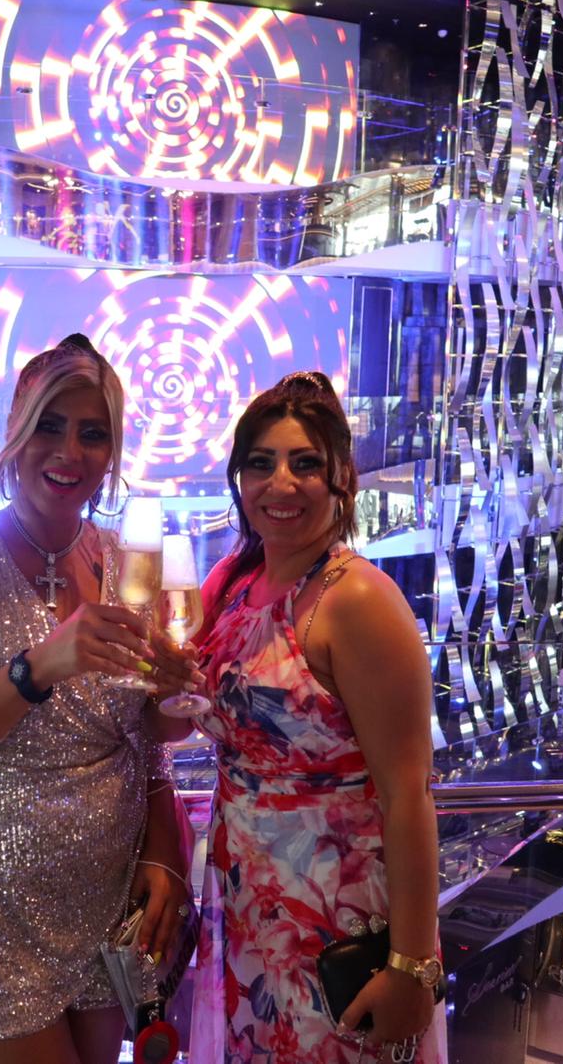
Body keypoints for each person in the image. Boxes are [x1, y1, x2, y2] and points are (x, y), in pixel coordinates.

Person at [0, 335, 198, 1064]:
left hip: (106, 895)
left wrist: (176, 704)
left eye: (94, 433)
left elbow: (145, 734)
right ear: (15, 433)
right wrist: (36, 668)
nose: (70, 452)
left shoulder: (129, 562)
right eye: (50, 426)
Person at [179, 371, 443, 1063]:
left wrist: (412, 966)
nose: (281, 483)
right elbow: (178, 715)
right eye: (260, 463)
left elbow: (409, 794)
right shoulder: (233, 582)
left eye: (305, 464)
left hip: (335, 915)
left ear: (341, 479)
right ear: (239, 479)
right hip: (246, 904)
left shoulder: (358, 600)